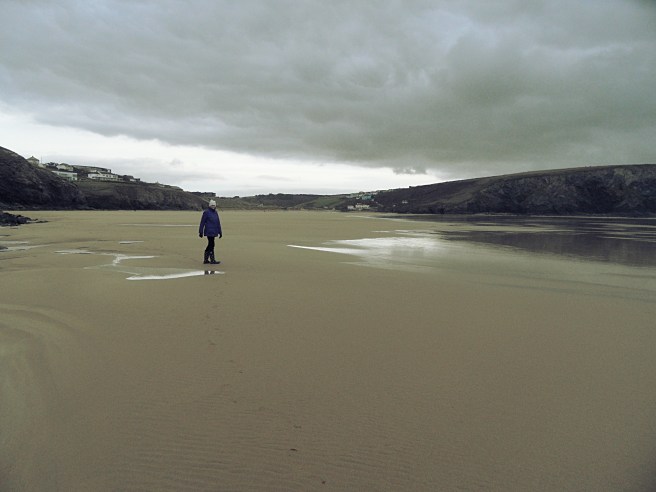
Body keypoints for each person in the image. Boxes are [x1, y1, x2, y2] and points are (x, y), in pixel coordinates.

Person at [198, 199, 222, 264]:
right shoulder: (206, 212)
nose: (213, 206)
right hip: (209, 231)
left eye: (214, 205)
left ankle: (206, 259)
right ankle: (212, 259)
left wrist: (220, 232)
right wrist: (200, 232)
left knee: (210, 244)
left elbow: (218, 223)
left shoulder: (215, 212)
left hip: (214, 231)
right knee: (212, 244)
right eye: (212, 205)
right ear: (209, 206)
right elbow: (202, 222)